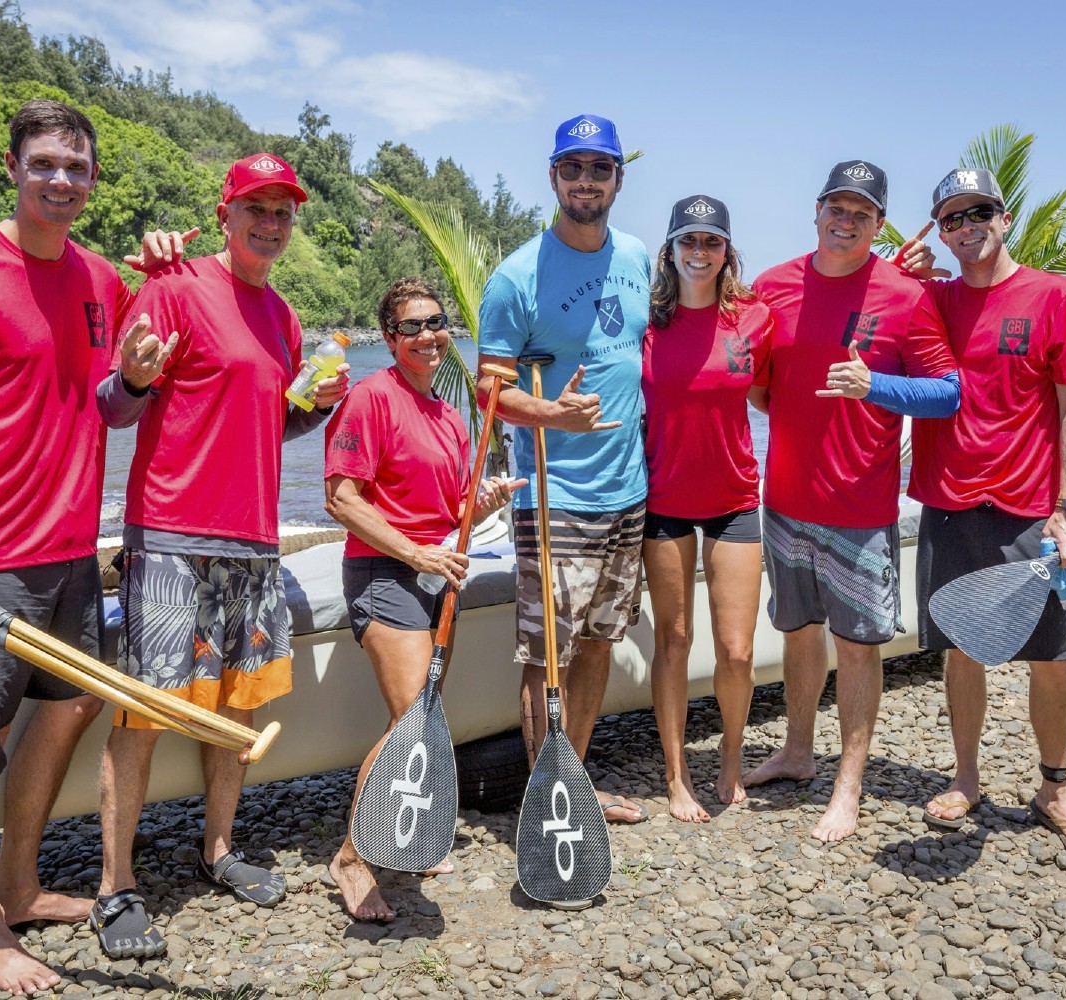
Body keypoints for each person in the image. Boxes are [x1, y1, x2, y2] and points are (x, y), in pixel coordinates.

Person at [0, 99, 173, 995]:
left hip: (69, 553)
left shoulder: (100, 280)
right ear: (14, 168)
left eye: (77, 168)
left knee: (69, 709)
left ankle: (18, 883)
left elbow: (114, 405)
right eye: (45, 163)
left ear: (93, 181)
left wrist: (133, 377)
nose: (61, 180)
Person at [90, 152, 349, 958]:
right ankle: (113, 887)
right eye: (257, 209)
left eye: (283, 213)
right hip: (170, 535)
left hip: (255, 538)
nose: (271, 224)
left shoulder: (283, 317)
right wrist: (131, 379)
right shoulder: (171, 289)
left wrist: (313, 408)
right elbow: (113, 405)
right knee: (144, 715)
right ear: (225, 211)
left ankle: (219, 849)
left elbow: (267, 424)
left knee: (237, 706)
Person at [742, 160, 960, 843]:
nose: (846, 219)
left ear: (878, 224)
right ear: (816, 211)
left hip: (860, 509)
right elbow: (756, 381)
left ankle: (849, 785)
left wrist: (876, 388)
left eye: (861, 212)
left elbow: (948, 392)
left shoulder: (906, 292)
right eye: (836, 206)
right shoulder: (773, 285)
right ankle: (799, 752)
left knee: (859, 647)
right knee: (797, 631)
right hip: (783, 501)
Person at [910, 168, 1066, 860]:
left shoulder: (1054, 295)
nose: (966, 228)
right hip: (949, 500)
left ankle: (1054, 786)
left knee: (1051, 655)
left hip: (1031, 510)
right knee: (962, 648)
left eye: (979, 212)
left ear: (1006, 215)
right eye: (951, 219)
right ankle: (966, 777)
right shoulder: (930, 301)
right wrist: (902, 272)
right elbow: (867, 315)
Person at [322, 278, 525, 921]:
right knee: (411, 716)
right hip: (386, 573)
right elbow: (341, 498)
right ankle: (353, 858)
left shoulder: (446, 414)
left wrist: (481, 501)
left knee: (424, 716)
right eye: (411, 326)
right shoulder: (370, 398)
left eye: (436, 322)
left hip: (438, 574)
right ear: (389, 338)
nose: (428, 335)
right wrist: (415, 554)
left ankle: (403, 832)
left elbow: (450, 509)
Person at [475, 114, 650, 825]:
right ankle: (545, 797)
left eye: (599, 169)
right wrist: (554, 417)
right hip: (558, 496)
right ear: (553, 177)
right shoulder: (518, 275)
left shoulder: (637, 255)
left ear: (617, 179)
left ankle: (573, 787)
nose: (586, 181)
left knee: (600, 644)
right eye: (573, 168)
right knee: (547, 655)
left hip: (628, 493)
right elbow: (490, 387)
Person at [640, 195, 774, 822]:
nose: (700, 252)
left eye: (712, 242)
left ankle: (729, 754)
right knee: (674, 639)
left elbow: (778, 391)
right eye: (688, 240)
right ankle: (675, 775)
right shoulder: (644, 324)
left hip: (735, 499)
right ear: (670, 250)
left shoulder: (754, 320)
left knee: (737, 650)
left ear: (728, 252)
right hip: (663, 499)